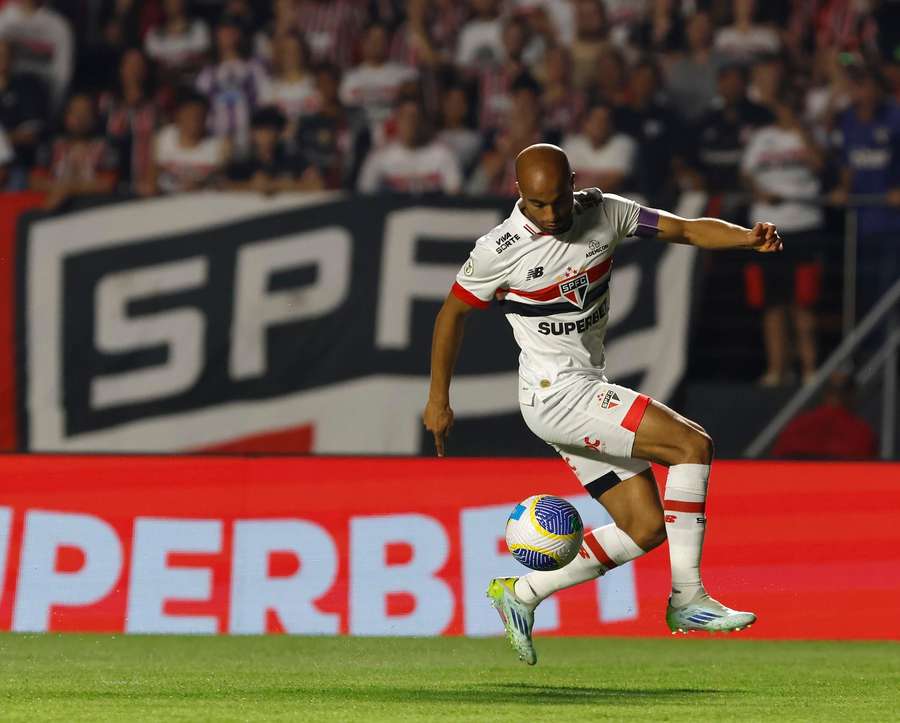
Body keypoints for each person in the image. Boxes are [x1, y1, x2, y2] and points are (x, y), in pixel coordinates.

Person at [423, 143, 782, 665]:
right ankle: (688, 599)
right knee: (691, 445)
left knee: (645, 529)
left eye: (558, 201)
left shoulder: (606, 211)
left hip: (581, 385)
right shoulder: (498, 249)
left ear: (574, 182)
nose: (550, 215)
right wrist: (439, 400)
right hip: (558, 394)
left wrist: (745, 239)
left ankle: (522, 595)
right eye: (537, 204)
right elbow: (450, 316)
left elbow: (683, 229)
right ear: (519, 193)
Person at [741, 93, 825, 386]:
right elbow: (746, 173)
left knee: (804, 300)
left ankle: (810, 369)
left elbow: (820, 165)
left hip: (805, 223)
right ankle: (777, 370)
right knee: (772, 302)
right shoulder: (762, 137)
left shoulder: (812, 134)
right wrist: (759, 192)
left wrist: (802, 133)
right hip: (768, 227)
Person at [29, 92, 119, 210]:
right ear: (65, 115)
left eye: (85, 112)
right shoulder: (50, 146)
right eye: (75, 112)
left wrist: (68, 189)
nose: (80, 117)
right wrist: (62, 189)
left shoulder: (105, 147)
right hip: (55, 207)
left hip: (93, 208)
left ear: (94, 116)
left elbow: (107, 184)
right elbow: (35, 182)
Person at [356, 98, 461, 194]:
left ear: (423, 122)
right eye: (405, 117)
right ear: (396, 121)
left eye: (415, 117)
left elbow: (454, 194)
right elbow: (365, 196)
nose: (410, 123)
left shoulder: (443, 154)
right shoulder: (379, 157)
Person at [772, 372, 876, 459]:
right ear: (853, 396)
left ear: (825, 394)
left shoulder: (798, 424)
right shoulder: (860, 431)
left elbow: (778, 459)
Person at [223, 105, 323, 193]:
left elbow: (317, 185)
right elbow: (221, 185)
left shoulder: (292, 158)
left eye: (271, 131)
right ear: (252, 133)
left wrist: (278, 185)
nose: (267, 137)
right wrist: (250, 185)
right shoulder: (243, 161)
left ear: (279, 133)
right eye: (261, 131)